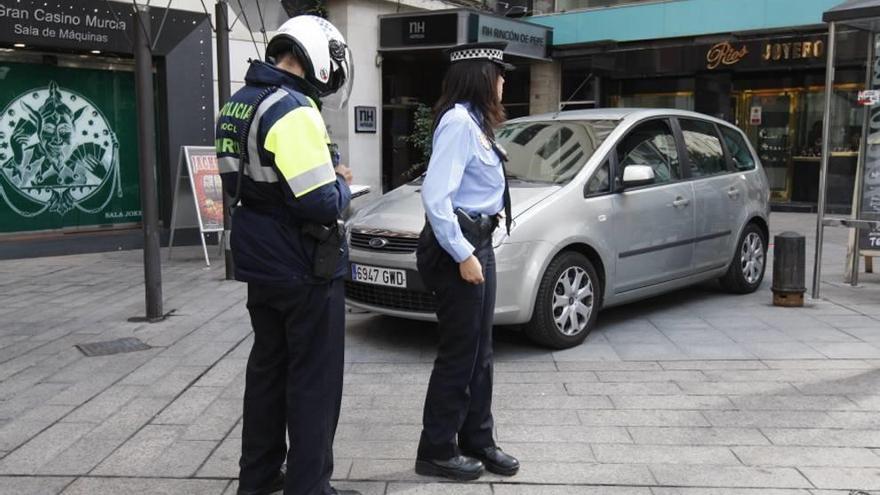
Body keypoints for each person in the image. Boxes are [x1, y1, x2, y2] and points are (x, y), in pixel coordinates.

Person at [215, 15, 359, 495]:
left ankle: (257, 480)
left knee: (267, 375)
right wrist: (341, 181)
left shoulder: (238, 103)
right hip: (304, 265)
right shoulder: (293, 108)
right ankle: (309, 486)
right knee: (314, 383)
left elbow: (245, 183)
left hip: (262, 262)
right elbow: (317, 200)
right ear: (315, 55)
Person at [414, 41, 520, 481]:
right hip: (459, 247)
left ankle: (478, 438)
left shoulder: (476, 123)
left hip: (478, 242)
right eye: (497, 72)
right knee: (460, 353)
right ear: (480, 76)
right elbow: (436, 198)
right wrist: (463, 254)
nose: (502, 80)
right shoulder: (458, 123)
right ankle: (436, 449)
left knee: (481, 352)